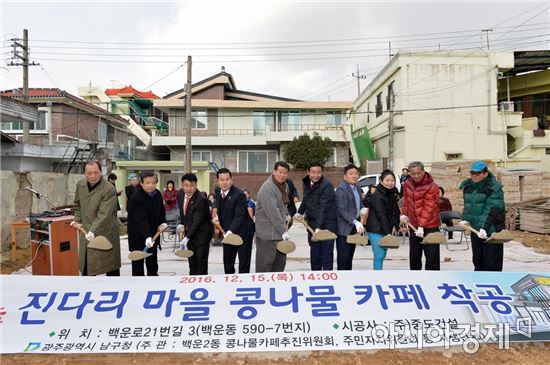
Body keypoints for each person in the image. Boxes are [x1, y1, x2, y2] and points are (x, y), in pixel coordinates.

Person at [71, 161, 121, 276]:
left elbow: (104, 214)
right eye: (89, 173)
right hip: (86, 231)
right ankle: (88, 290)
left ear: (101, 172)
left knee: (110, 264)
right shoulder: (81, 184)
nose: (93, 176)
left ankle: (114, 289)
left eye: (96, 172)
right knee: (87, 265)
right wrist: (77, 221)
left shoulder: (109, 188)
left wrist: (92, 230)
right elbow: (78, 205)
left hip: (105, 231)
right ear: (84, 173)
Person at [459, 160, 505, 271]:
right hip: (476, 230)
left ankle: (492, 285)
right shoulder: (468, 187)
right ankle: (479, 284)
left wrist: (484, 228)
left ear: (485, 173)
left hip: (491, 231)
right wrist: (465, 219)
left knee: (491, 263)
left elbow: (492, 209)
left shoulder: (494, 188)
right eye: (472, 173)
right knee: (478, 260)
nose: (474, 176)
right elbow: (468, 205)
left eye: (478, 173)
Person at [294, 161, 337, 271]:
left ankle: (327, 282)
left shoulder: (327, 185)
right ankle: (315, 279)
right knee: (315, 255)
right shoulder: (306, 182)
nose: (316, 175)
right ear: (308, 172)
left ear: (322, 173)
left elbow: (323, 208)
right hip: (312, 224)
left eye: (319, 172)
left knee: (326, 255)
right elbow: (306, 199)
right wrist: (299, 212)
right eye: (313, 172)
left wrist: (318, 228)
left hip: (327, 225)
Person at [212, 168, 255, 274]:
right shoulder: (218, 191)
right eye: (222, 180)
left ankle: (243, 285)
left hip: (243, 232)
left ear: (231, 180)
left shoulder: (239, 195)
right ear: (217, 181)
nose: (225, 182)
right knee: (228, 263)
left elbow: (239, 216)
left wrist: (230, 232)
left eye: (227, 179)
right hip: (227, 232)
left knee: (244, 264)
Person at [401, 161, 441, 271]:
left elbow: (429, 207)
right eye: (413, 173)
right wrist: (404, 214)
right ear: (409, 173)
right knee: (414, 256)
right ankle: (415, 280)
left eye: (418, 173)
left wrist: (421, 226)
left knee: (432, 257)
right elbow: (406, 201)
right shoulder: (407, 184)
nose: (416, 176)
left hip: (430, 226)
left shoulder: (432, 186)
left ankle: (433, 280)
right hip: (414, 226)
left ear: (423, 171)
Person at [255, 161, 292, 273]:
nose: (282, 175)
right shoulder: (268, 188)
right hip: (267, 235)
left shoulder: (285, 186)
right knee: (265, 267)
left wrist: (287, 216)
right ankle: (264, 289)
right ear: (274, 172)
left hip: (279, 234)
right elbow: (273, 213)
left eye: (285, 173)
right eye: (280, 172)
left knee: (279, 266)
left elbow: (282, 206)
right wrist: (283, 230)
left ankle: (278, 289)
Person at [127, 171, 166, 276]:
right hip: (138, 235)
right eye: (147, 183)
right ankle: (138, 287)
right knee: (138, 264)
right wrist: (147, 236)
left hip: (153, 234)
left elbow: (161, 210)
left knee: (152, 263)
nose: (151, 185)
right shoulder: (137, 198)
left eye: (153, 183)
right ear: (142, 183)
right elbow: (141, 219)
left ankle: (153, 283)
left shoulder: (157, 194)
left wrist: (163, 222)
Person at [177, 173, 213, 275]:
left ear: (196, 185)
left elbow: (197, 222)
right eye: (186, 185)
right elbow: (183, 212)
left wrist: (186, 238)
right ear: (182, 185)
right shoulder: (180, 194)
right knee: (191, 261)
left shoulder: (201, 200)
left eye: (192, 185)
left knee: (200, 261)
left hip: (202, 233)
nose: (189, 188)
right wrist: (182, 223)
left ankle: (201, 283)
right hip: (190, 233)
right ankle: (192, 281)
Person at [366, 170, 400, 270]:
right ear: (381, 181)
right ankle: (378, 278)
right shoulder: (377, 195)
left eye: (392, 180)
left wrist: (396, 225)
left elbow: (395, 211)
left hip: (385, 228)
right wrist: (388, 233)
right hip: (375, 229)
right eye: (387, 180)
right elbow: (381, 215)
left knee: (383, 254)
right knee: (379, 255)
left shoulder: (392, 193)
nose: (390, 183)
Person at [335, 164, 367, 270]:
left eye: (356, 173)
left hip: (354, 227)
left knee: (349, 257)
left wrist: (362, 208)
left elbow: (358, 202)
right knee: (343, 258)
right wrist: (355, 221)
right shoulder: (341, 190)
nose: (354, 176)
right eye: (351, 174)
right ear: (345, 176)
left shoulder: (357, 188)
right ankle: (342, 280)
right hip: (344, 229)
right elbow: (341, 210)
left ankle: (348, 279)